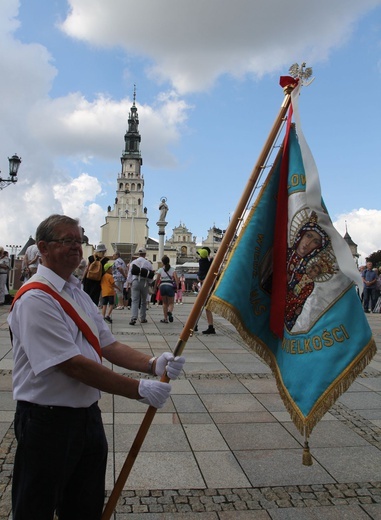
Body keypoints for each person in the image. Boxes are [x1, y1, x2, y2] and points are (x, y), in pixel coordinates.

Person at [7, 214, 185, 520]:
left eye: (79, 240)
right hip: (46, 422)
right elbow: (72, 365)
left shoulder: (75, 290)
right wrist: (138, 389)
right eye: (67, 241)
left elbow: (107, 344)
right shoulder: (36, 298)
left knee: (84, 507)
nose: (77, 247)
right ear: (43, 248)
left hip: (86, 417)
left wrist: (152, 363)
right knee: (34, 509)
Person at [127, 247, 154, 325]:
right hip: (144, 282)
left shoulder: (134, 262)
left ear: (138, 254)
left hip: (135, 281)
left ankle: (133, 317)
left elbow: (130, 273)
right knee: (143, 301)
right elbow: (151, 274)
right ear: (145, 254)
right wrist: (150, 283)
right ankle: (143, 318)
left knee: (135, 300)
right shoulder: (148, 263)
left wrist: (129, 283)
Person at [154, 255, 179, 323]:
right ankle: (170, 312)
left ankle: (165, 318)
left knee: (165, 303)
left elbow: (157, 279)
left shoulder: (160, 269)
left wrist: (155, 287)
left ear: (162, 262)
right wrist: (177, 286)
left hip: (162, 286)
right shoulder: (172, 270)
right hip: (170, 286)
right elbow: (176, 279)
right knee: (171, 303)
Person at [197, 247, 215, 334]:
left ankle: (194, 324)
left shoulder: (201, 262)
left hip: (204, 287)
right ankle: (210, 326)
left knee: (198, 306)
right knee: (206, 307)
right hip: (210, 286)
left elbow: (199, 276)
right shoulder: (210, 262)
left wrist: (200, 278)